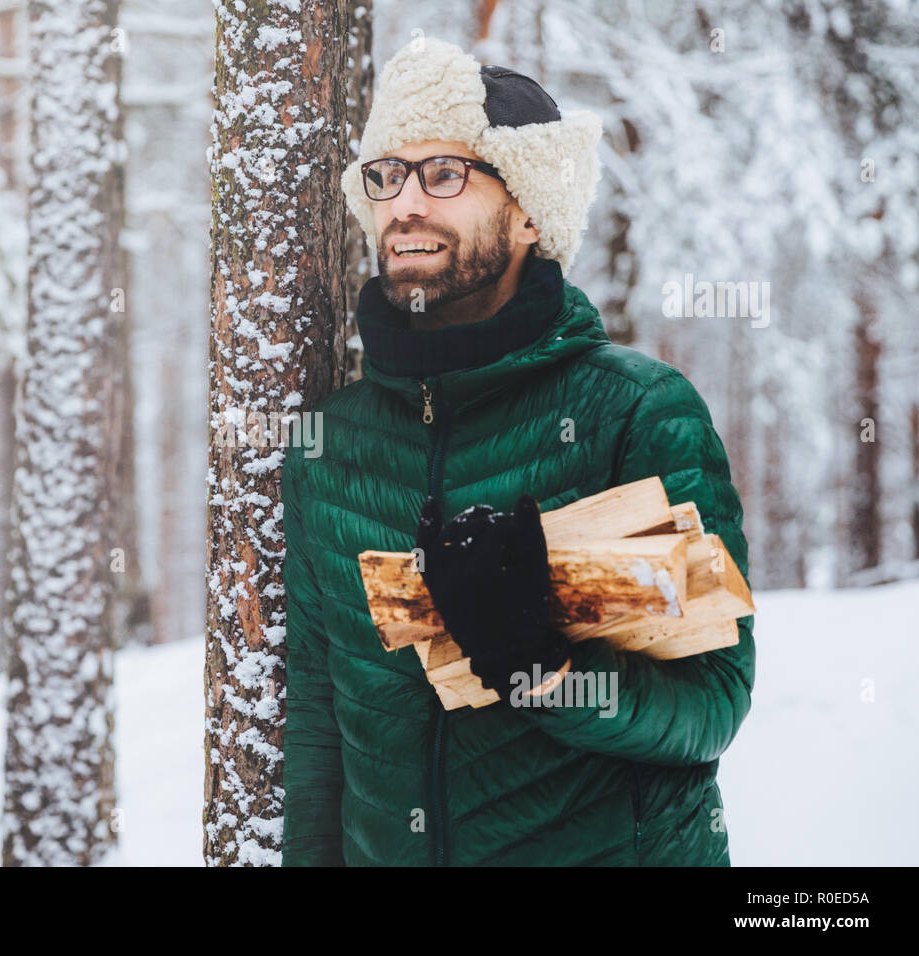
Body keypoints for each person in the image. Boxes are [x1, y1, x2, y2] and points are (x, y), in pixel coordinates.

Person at [281, 37, 756, 866]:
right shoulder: (332, 446)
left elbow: (712, 703)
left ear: (531, 209)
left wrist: (543, 668)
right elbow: (320, 740)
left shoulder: (634, 413)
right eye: (387, 174)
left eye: (446, 173)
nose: (406, 204)